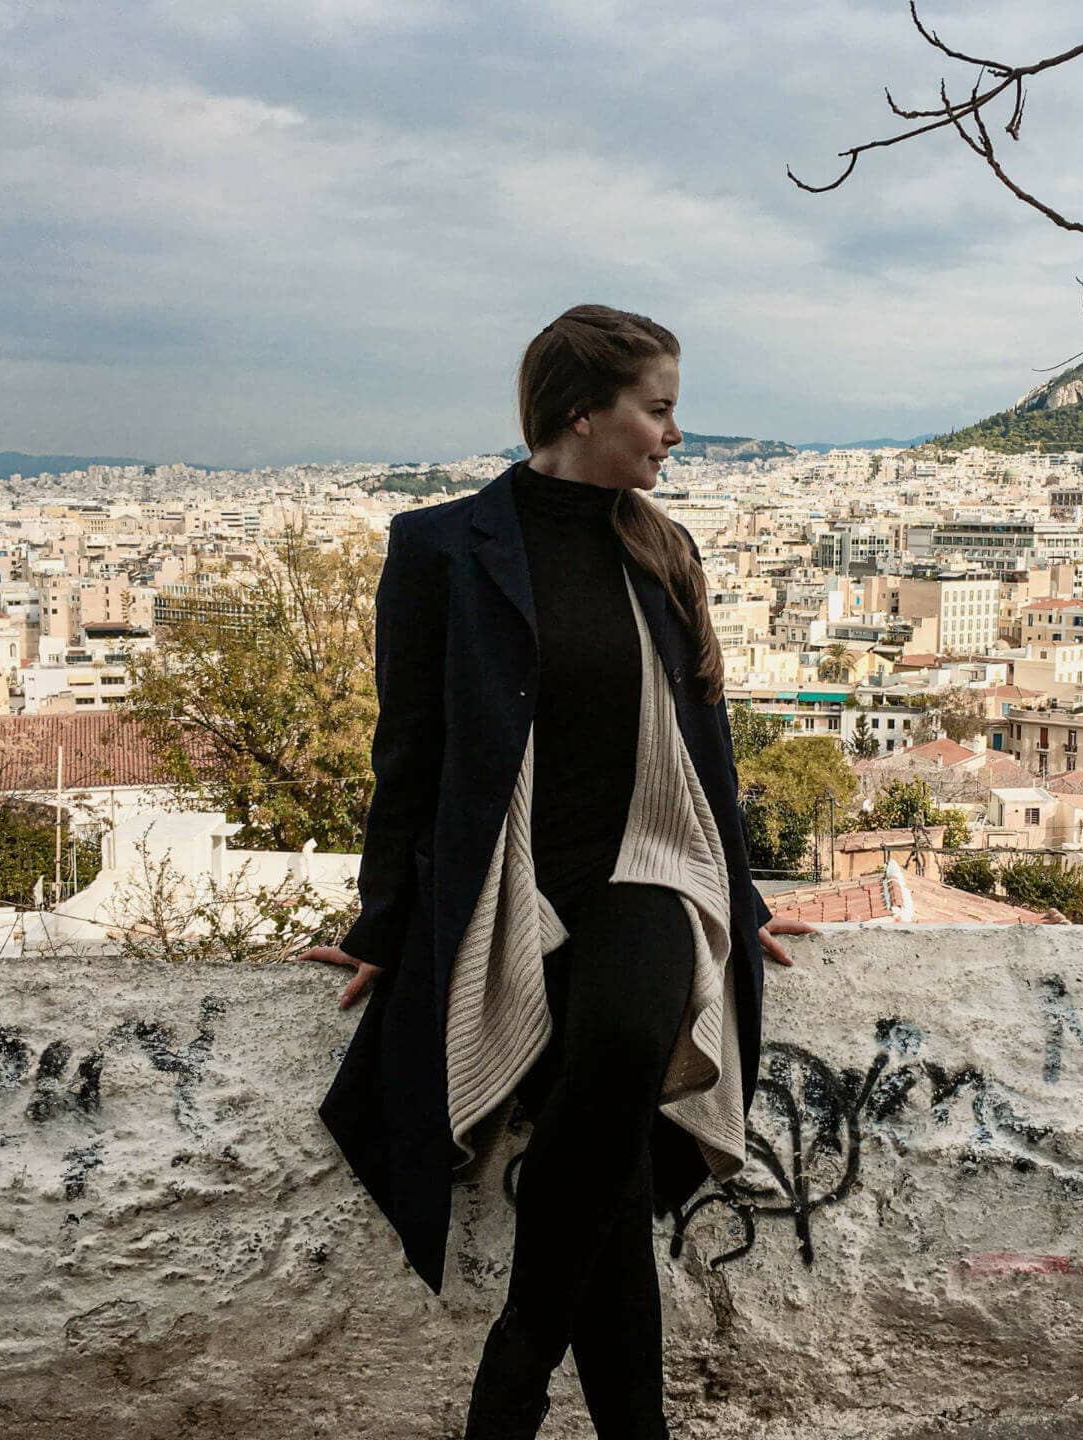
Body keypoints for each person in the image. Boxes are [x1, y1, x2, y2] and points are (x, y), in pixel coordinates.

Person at [295, 303, 815, 1439]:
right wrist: (383, 921)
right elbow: (411, 748)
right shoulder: (440, 548)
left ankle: (516, 1366)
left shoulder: (662, 551)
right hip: (514, 882)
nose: (676, 433)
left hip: (646, 866)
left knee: (627, 1041)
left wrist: (746, 892)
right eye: (659, 408)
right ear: (583, 411)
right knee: (610, 1157)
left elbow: (703, 749)